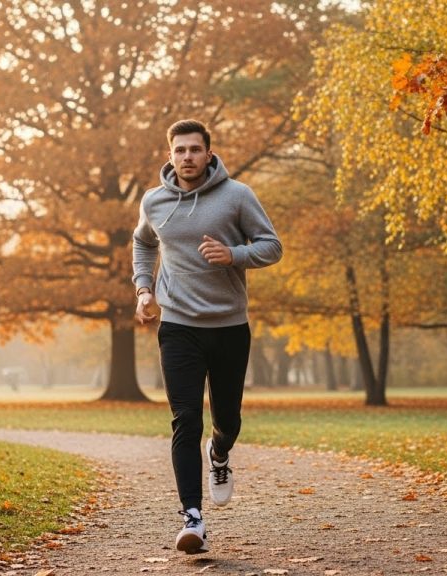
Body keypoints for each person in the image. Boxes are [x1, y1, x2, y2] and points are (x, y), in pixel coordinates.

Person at [132, 119, 282, 555]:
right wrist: (144, 288)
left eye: (195, 149)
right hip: (178, 326)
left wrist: (233, 254)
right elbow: (143, 243)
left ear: (208, 154)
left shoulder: (237, 195)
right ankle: (192, 518)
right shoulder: (154, 201)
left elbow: (272, 246)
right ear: (170, 155)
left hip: (229, 326)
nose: (187, 157)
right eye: (180, 150)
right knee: (185, 418)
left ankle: (219, 453)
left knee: (227, 419)